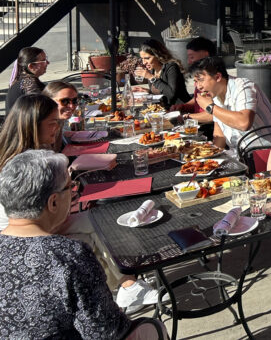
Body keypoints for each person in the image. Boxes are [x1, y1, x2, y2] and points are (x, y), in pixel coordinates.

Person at [0, 95, 160, 312]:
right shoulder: (24, 161)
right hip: (24, 229)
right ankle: (125, 285)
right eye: (52, 123)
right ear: (32, 124)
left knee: (98, 222)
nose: (57, 128)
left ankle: (126, 285)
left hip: (34, 222)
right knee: (98, 225)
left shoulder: (23, 151)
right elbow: (40, 211)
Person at [0, 150, 133, 338]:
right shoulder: (69, 255)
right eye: (70, 187)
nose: (73, 193)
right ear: (53, 202)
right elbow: (105, 332)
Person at [189, 56, 271, 156]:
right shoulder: (214, 94)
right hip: (238, 154)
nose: (198, 86)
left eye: (201, 80)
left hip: (264, 154)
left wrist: (210, 107)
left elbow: (244, 123)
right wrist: (212, 156)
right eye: (196, 81)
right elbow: (219, 133)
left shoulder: (244, 86)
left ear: (217, 77)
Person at [171, 36, 217, 133]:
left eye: (192, 57)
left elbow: (213, 115)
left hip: (209, 129)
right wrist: (184, 106)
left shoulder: (213, 79)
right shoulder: (200, 77)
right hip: (196, 124)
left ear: (205, 54)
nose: (188, 61)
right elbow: (198, 98)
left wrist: (187, 116)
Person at [133, 38, 191, 108]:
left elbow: (171, 94)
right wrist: (147, 91)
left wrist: (151, 78)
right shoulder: (152, 70)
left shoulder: (171, 67)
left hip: (181, 109)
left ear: (158, 55)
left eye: (147, 58)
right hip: (164, 108)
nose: (144, 62)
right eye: (142, 58)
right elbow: (162, 92)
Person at [5, 46, 48, 112]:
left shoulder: (21, 80)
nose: (47, 62)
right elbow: (40, 110)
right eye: (43, 60)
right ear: (31, 66)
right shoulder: (29, 83)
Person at [42, 81, 81, 147]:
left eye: (75, 101)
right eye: (65, 101)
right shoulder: (42, 127)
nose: (71, 106)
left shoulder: (59, 120)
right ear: (48, 101)